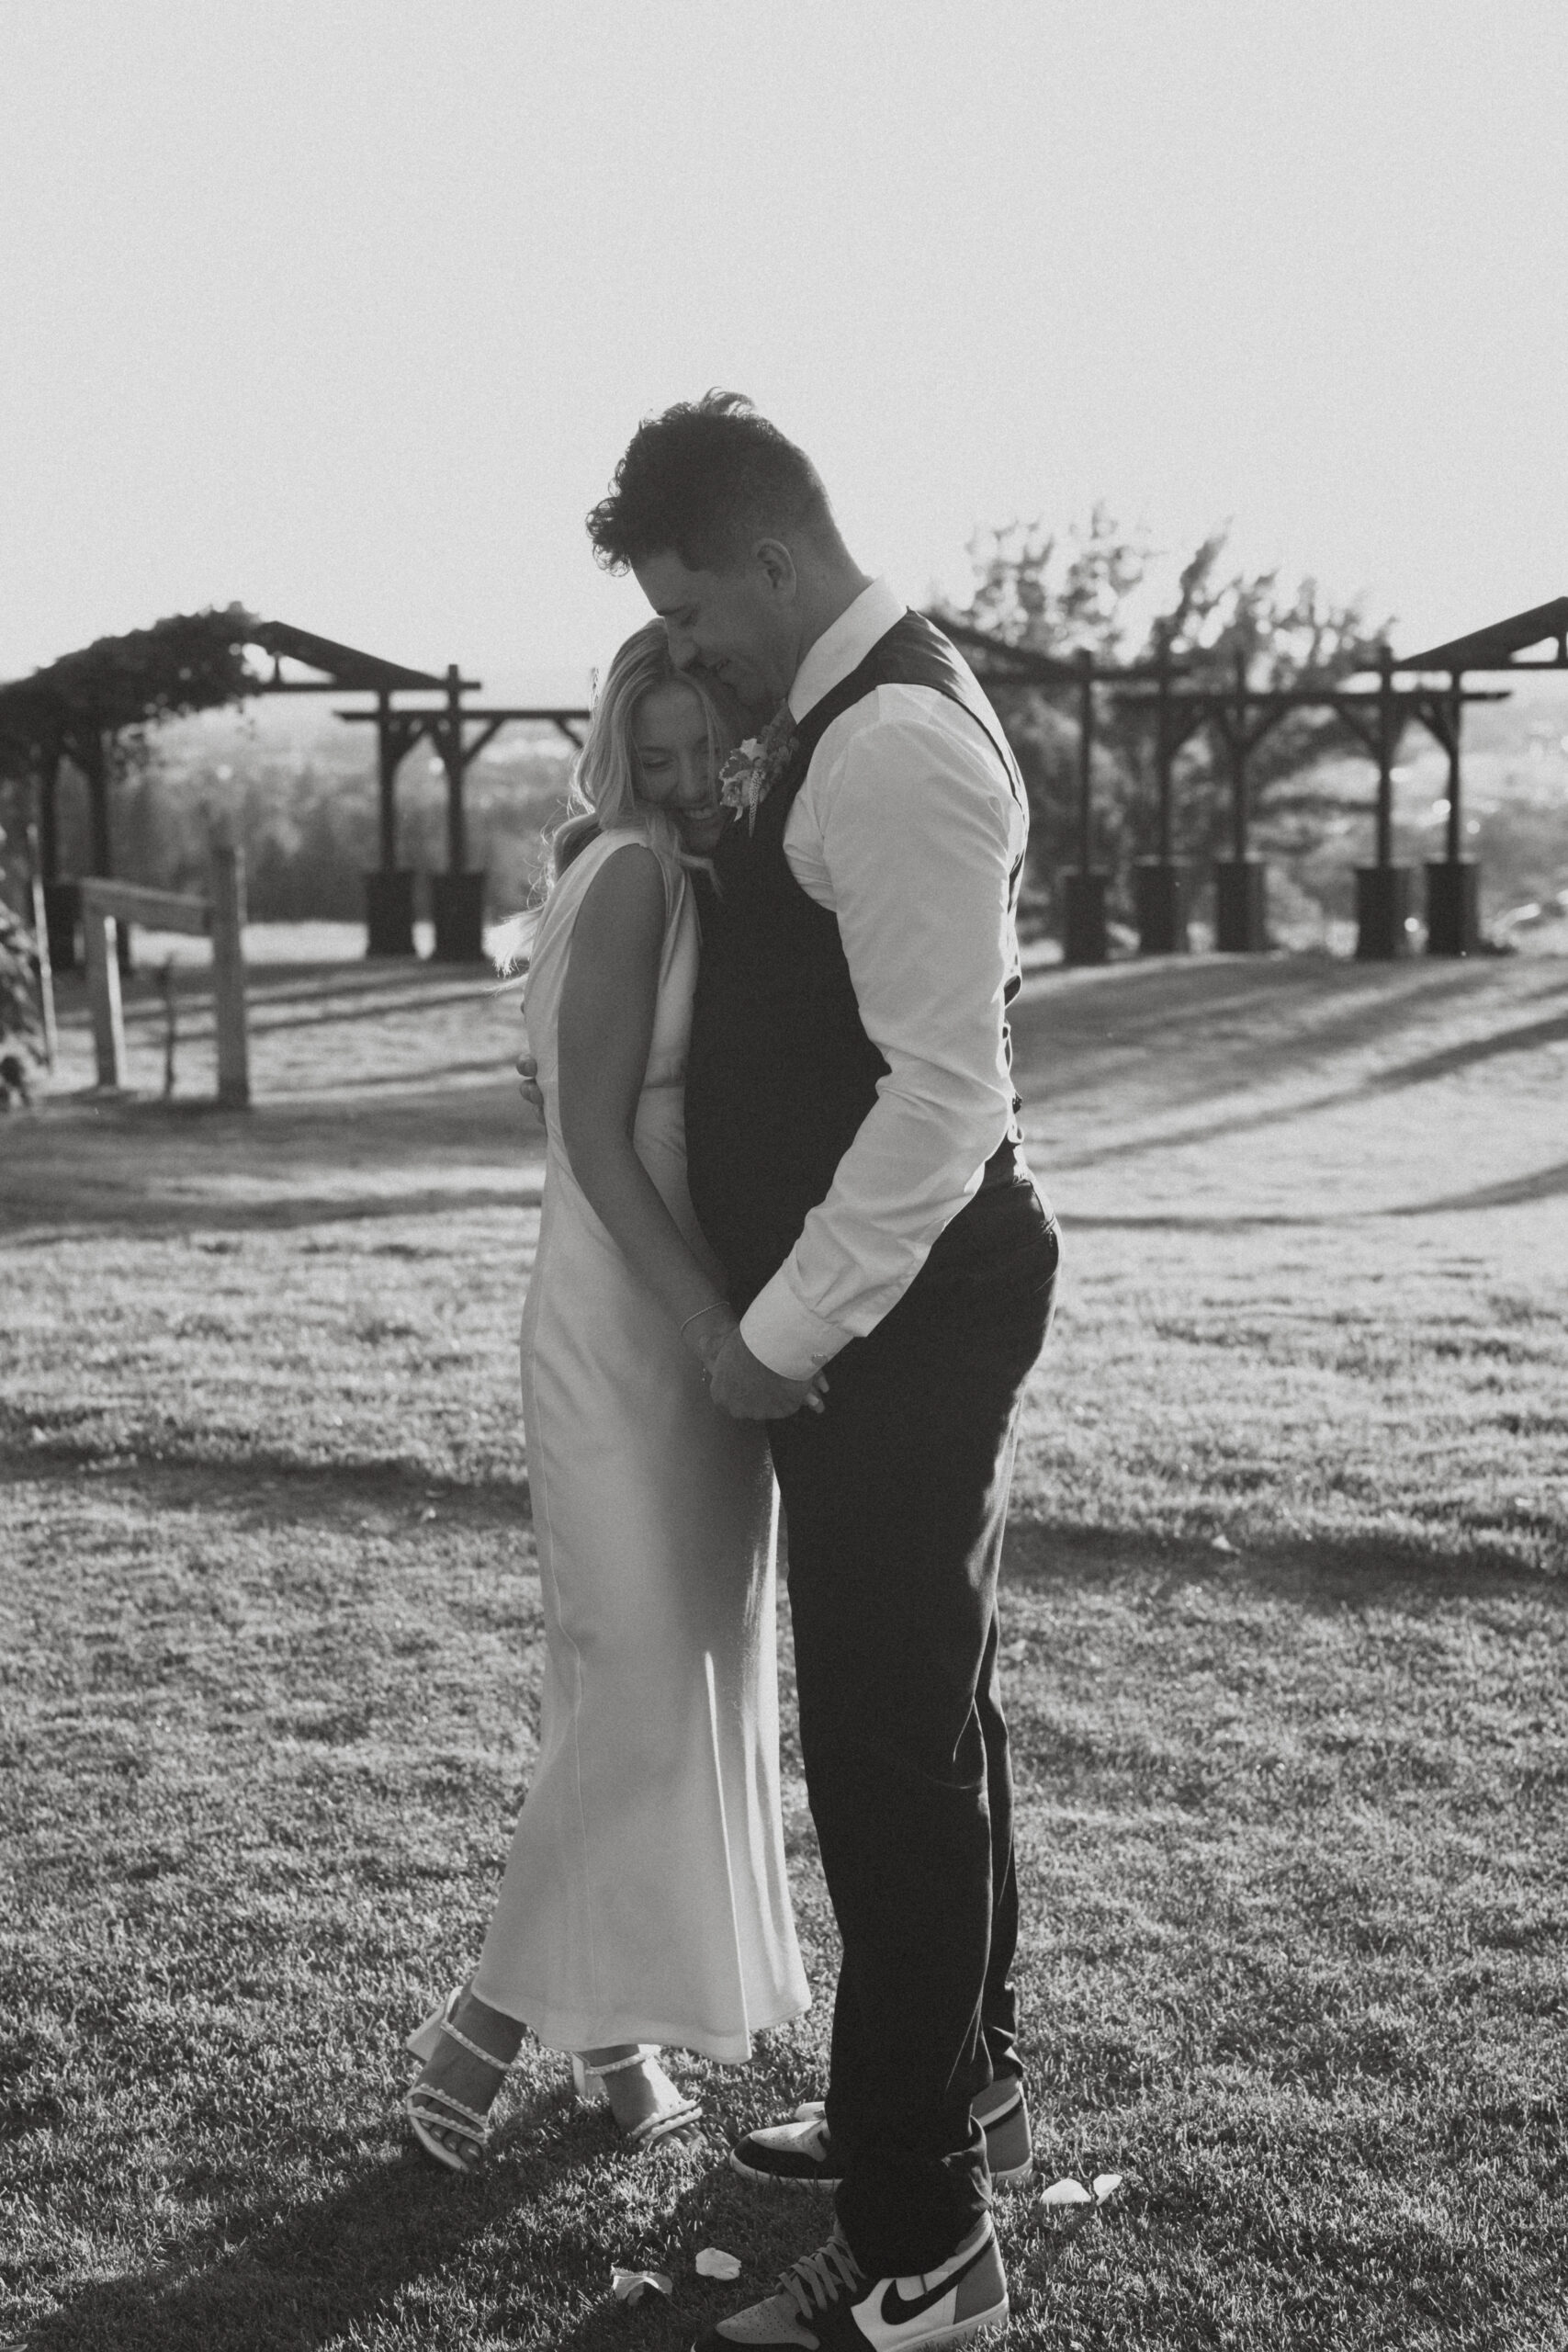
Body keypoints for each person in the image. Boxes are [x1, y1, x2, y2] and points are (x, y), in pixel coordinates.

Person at [583, 393, 1060, 2350]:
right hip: (886, 1323)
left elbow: (948, 1101)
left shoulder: (890, 749)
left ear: (769, 559)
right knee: (931, 1723)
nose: (686, 662)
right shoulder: (853, 719)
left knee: (885, 1766)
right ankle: (959, 2096)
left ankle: (920, 2246)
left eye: (692, 621)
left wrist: (776, 1333)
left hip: (891, 1324)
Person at [403, 620, 811, 2174]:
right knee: (639, 1686)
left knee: (648, 1694)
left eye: (717, 752)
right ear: (617, 761)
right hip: (632, 1324)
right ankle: (486, 2027)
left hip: (708, 1332)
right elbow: (585, 1134)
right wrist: (715, 1326)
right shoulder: (633, 873)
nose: (694, 784)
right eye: (659, 760)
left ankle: (621, 2037)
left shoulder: (710, 876)